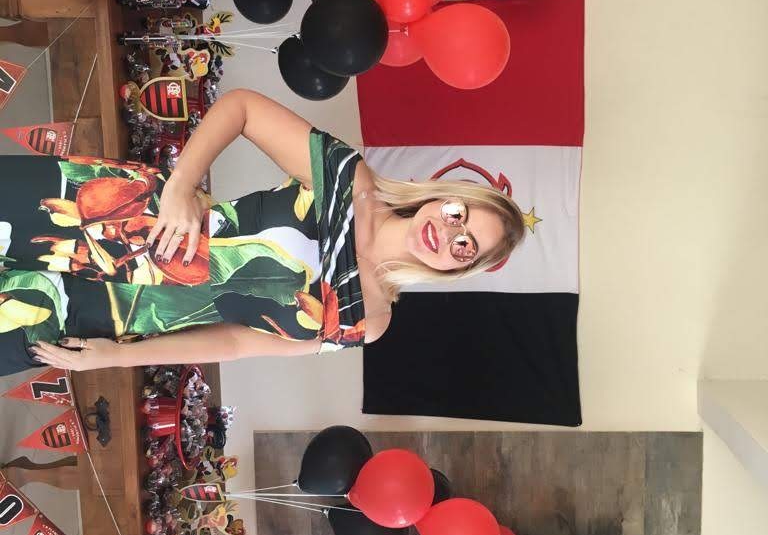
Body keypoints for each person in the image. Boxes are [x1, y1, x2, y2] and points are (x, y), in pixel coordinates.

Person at [0, 90, 525, 375]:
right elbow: (242, 108)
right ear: (443, 195)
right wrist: (182, 184)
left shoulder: (368, 321)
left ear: (459, 268)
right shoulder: (349, 183)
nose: (448, 232)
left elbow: (235, 342)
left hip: (109, 313)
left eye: (465, 246)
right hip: (102, 211)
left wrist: (118, 357)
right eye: (458, 213)